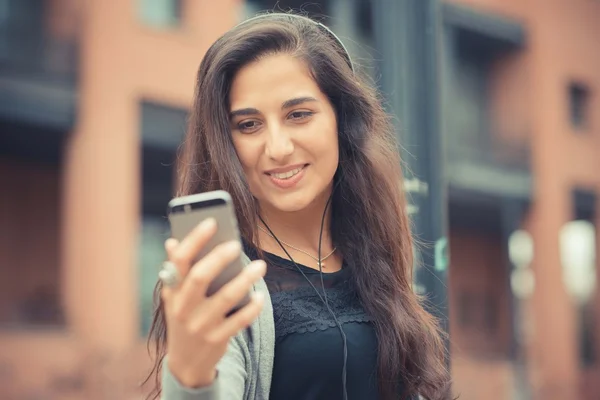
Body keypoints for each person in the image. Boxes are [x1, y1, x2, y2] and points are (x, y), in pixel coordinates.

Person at [145, 11, 452, 400]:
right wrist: (191, 378)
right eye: (249, 125)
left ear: (342, 120)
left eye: (298, 115)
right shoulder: (224, 280)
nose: (277, 148)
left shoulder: (371, 248)